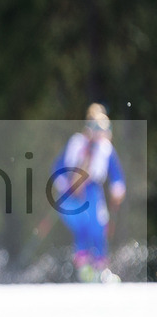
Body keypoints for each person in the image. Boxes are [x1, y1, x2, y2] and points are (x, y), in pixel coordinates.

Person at [51, 103, 126, 283]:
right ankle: (84, 267)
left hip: (93, 189)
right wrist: (66, 184)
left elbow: (116, 173)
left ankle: (100, 266)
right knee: (82, 225)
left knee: (98, 226)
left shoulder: (105, 148)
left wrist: (117, 188)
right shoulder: (77, 143)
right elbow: (58, 166)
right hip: (71, 191)